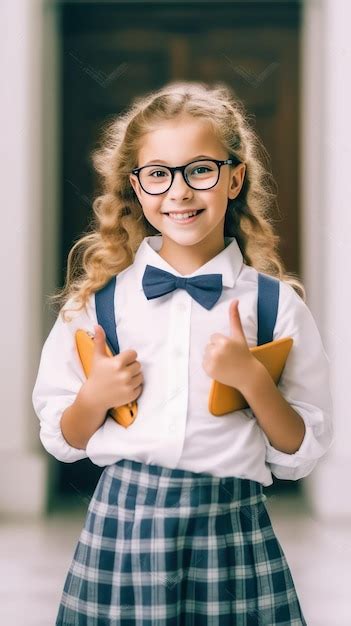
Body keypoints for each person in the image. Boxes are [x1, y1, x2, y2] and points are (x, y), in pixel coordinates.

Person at [32, 80, 333, 625]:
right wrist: (94, 397)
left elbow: (301, 449)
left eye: (200, 169)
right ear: (136, 186)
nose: (179, 192)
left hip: (232, 530)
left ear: (234, 177)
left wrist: (253, 382)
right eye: (159, 174)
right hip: (121, 531)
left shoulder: (276, 307)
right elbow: (64, 437)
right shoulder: (99, 306)